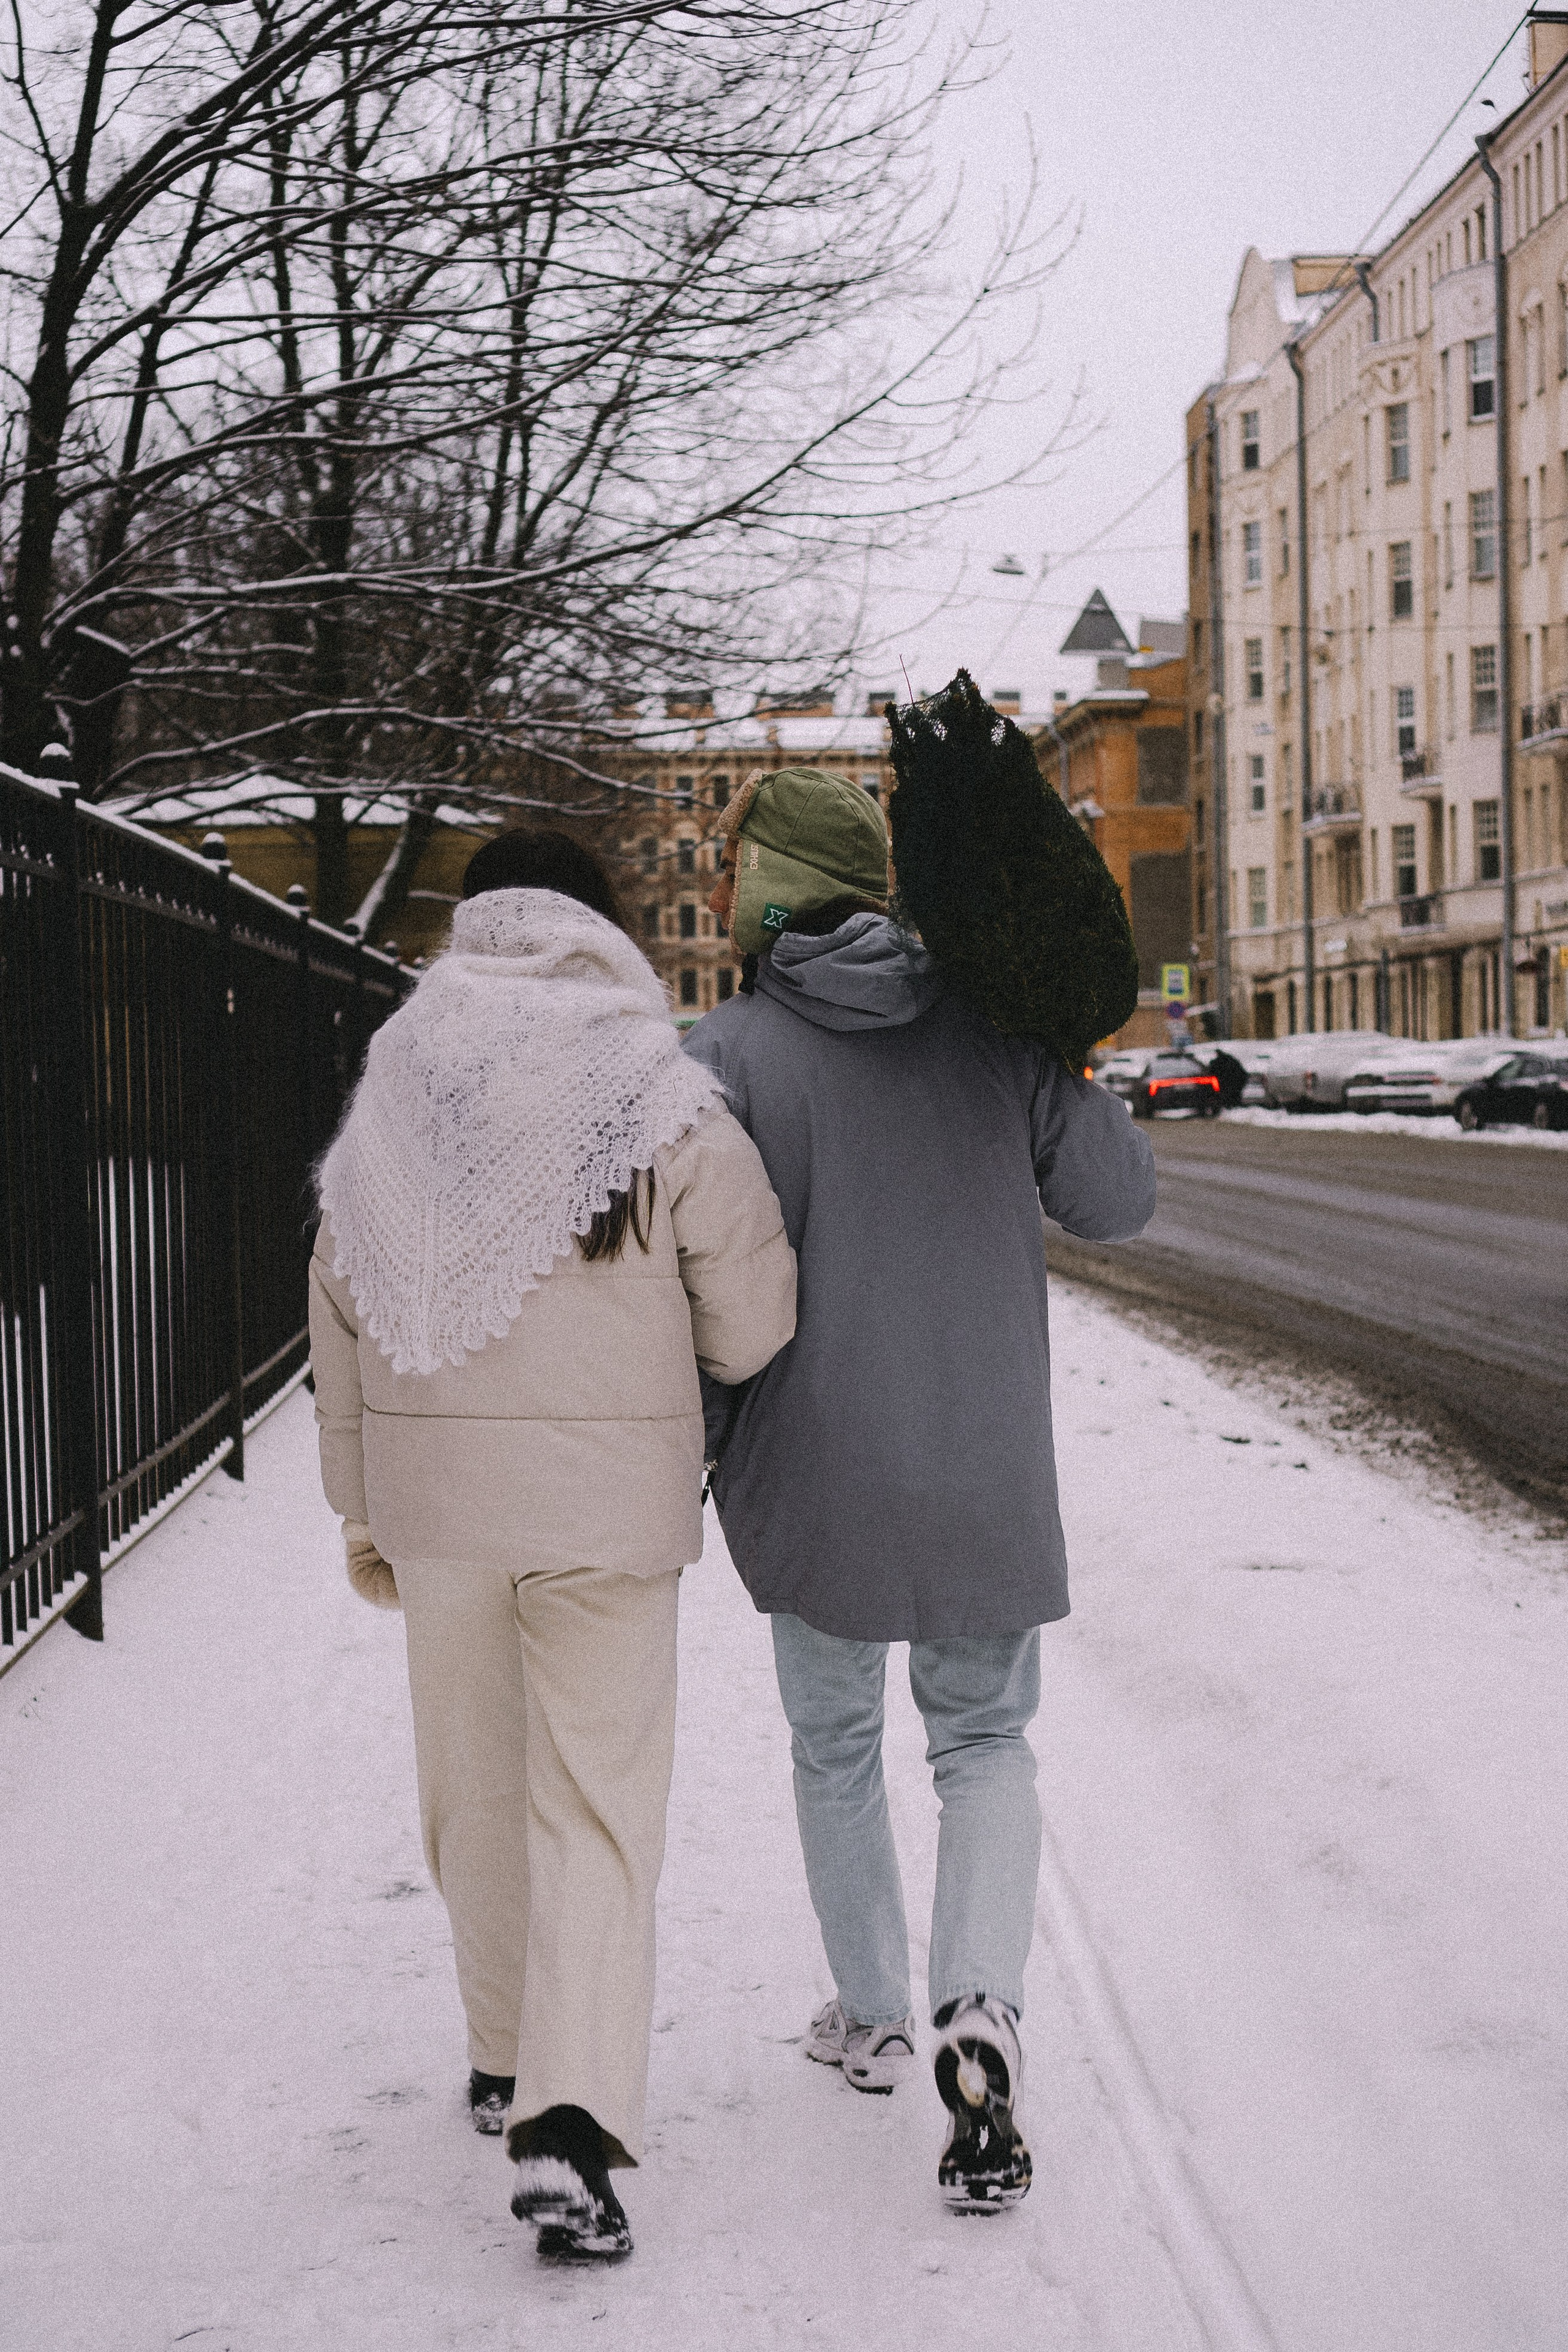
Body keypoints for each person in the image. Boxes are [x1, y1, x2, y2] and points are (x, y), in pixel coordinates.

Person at [308, 829, 796, 2263]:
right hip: (606, 1509)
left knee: (471, 1783)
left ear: (474, 929)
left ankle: (498, 2049)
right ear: (603, 929)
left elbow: (338, 1298)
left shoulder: (399, 1084)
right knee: (592, 1804)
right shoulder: (660, 1097)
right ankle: (571, 2121)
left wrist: (361, 1500)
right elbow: (755, 1320)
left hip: (440, 1503)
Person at [684, 760, 1156, 2214]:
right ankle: (981, 2011)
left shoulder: (722, 1055)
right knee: (984, 1744)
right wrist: (1055, 1054)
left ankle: (875, 2016)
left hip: (810, 1472)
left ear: (762, 890)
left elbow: (693, 1288)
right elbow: (1116, 1201)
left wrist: (694, 1457)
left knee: (832, 1745)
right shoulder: (996, 1024)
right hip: (981, 1466)